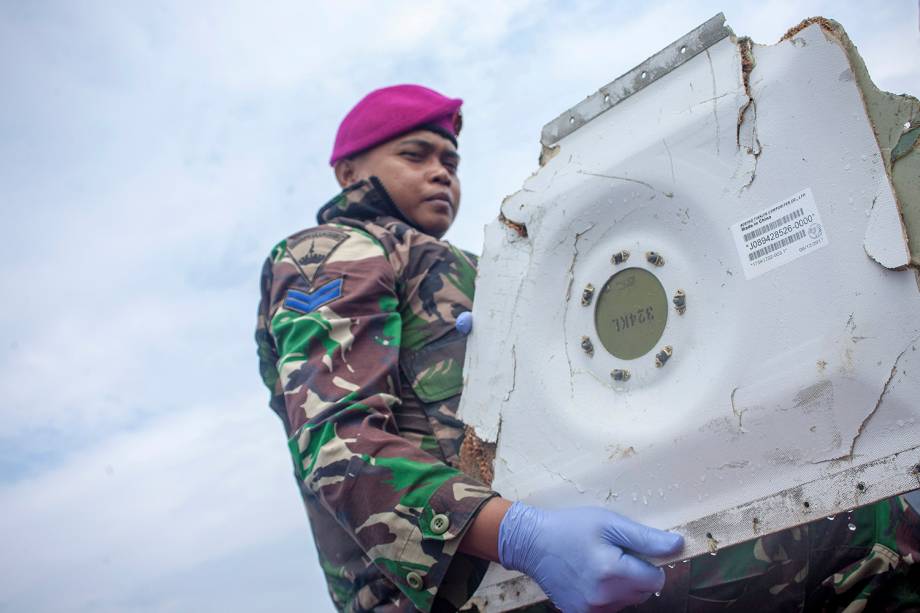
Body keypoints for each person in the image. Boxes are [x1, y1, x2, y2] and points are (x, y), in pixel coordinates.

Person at [255, 84, 685, 613]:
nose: (441, 173)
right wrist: (521, 536)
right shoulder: (331, 253)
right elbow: (339, 446)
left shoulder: (475, 264)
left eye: (451, 162)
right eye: (414, 155)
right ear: (347, 172)